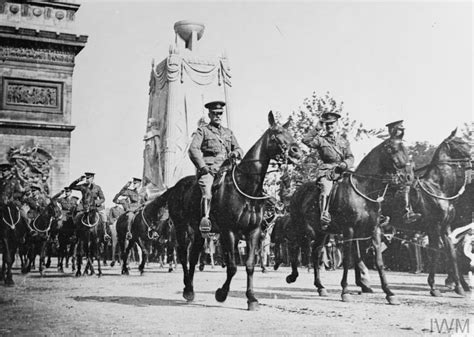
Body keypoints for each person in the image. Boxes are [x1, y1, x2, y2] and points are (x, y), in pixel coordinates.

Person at [188, 100, 243, 233]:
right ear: (210, 115)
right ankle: (206, 219)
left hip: (228, 167)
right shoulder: (203, 131)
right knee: (207, 193)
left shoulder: (228, 132)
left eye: (220, 113)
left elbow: (239, 149)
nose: (218, 116)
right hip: (210, 169)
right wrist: (202, 166)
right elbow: (193, 149)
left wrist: (235, 152)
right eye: (215, 113)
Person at [302, 112, 354, 230]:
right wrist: (317, 127)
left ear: (337, 124)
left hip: (342, 170)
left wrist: (345, 164)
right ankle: (324, 215)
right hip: (328, 172)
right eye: (327, 124)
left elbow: (350, 157)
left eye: (332, 123)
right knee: (326, 189)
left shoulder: (343, 141)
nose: (330, 126)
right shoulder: (321, 140)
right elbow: (305, 140)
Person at [385, 120, 421, 224]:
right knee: (404, 187)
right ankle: (406, 212)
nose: (400, 132)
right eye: (398, 129)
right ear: (392, 130)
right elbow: (393, 161)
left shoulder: (402, 145)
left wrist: (411, 164)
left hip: (405, 173)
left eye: (401, 130)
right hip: (392, 174)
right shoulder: (388, 145)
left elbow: (407, 160)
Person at [69, 172, 109, 239]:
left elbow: (102, 198)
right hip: (84, 205)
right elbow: (71, 187)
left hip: (95, 206)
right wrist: (78, 180)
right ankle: (75, 233)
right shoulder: (82, 186)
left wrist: (96, 202)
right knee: (77, 215)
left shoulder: (97, 187)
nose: (87, 179)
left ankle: (105, 233)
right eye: (86, 178)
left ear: (92, 179)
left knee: (104, 216)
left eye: (89, 178)